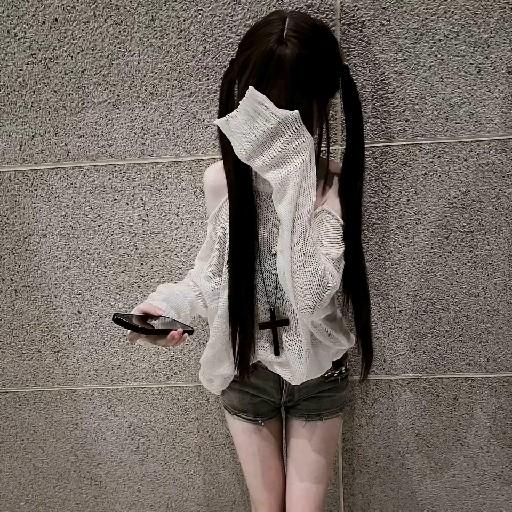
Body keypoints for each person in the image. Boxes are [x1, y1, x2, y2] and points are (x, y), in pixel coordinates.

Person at [128, 8, 373, 512]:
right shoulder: (222, 180)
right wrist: (165, 307)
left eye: (291, 108)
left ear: (318, 105)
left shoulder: (331, 183)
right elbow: (211, 277)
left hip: (318, 371)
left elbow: (310, 292)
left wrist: (296, 178)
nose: (276, 122)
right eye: (267, 102)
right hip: (246, 369)